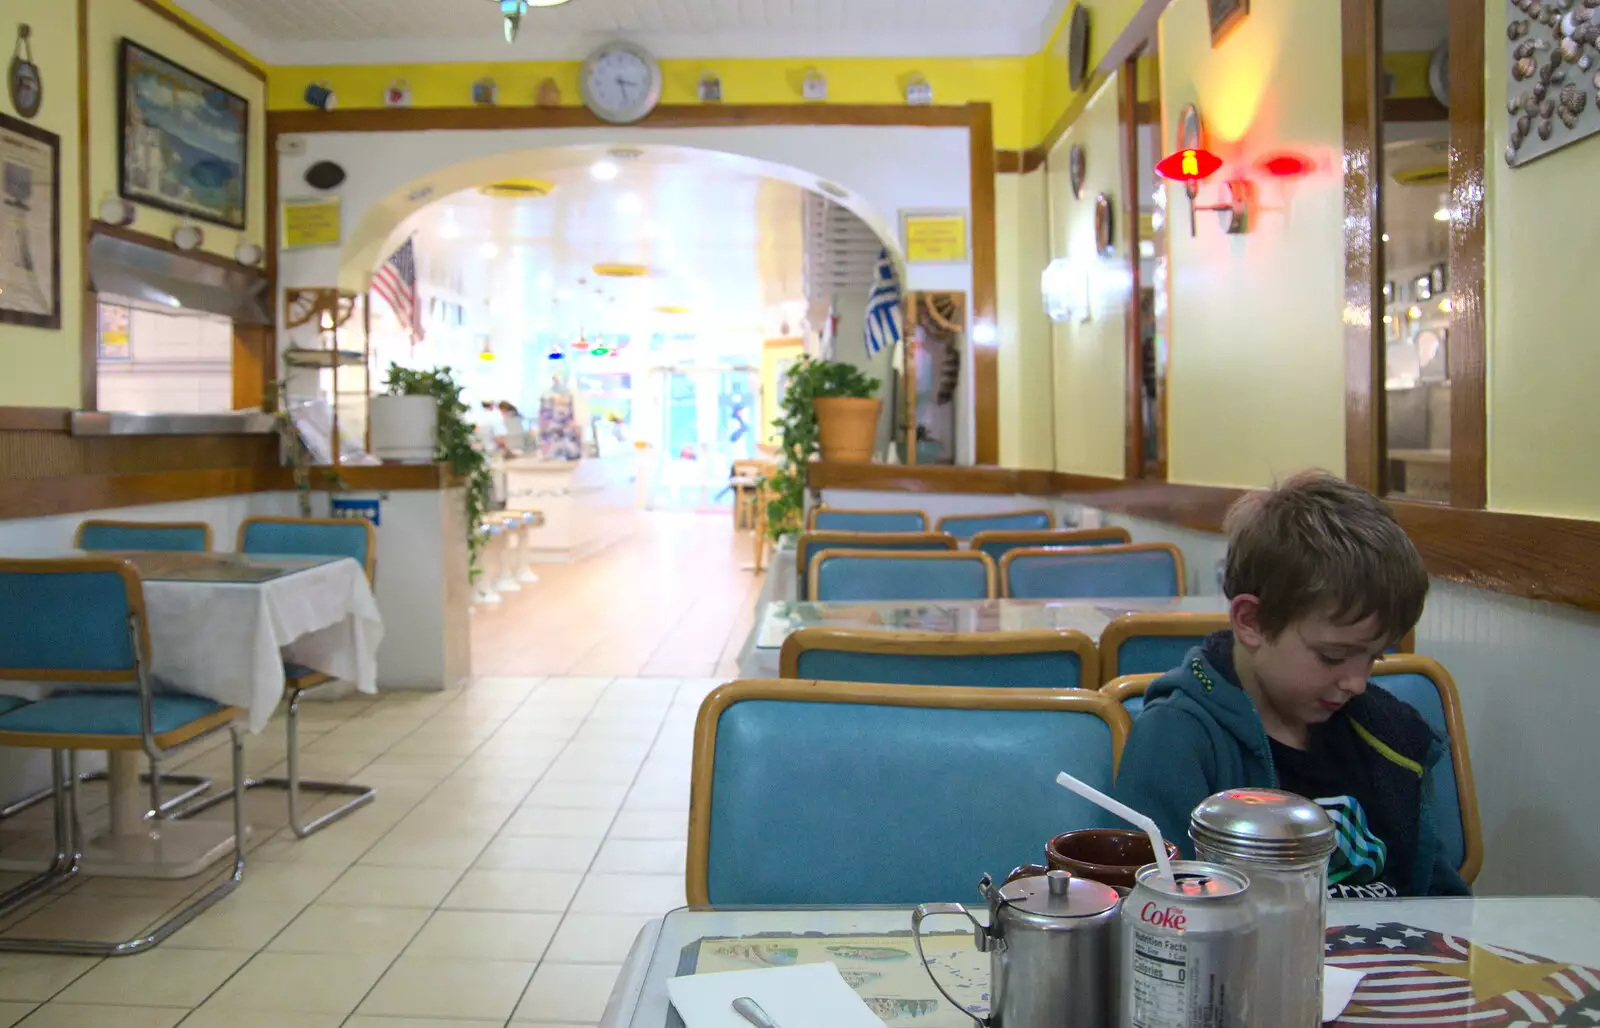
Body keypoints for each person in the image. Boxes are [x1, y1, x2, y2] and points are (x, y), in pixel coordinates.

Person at [1112, 470, 1468, 898]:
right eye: (1331, 657)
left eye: (1375, 656)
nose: (1358, 682)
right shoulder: (1179, 738)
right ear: (1252, 622)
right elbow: (1159, 906)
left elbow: (1440, 899)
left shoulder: (1387, 734)